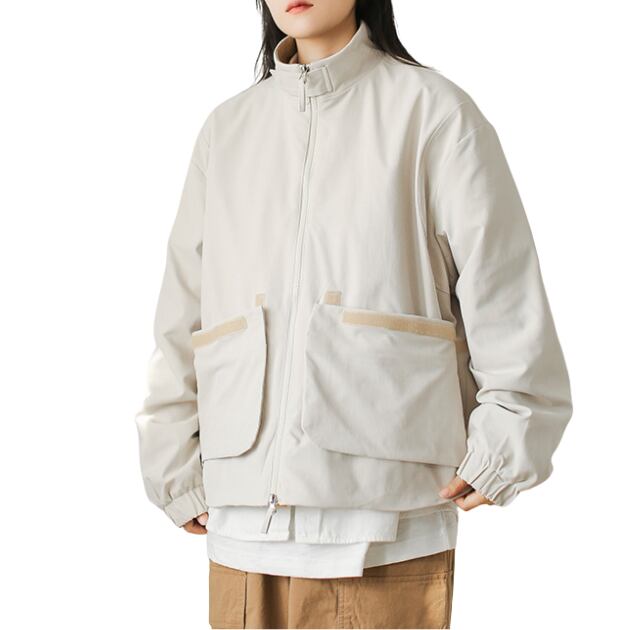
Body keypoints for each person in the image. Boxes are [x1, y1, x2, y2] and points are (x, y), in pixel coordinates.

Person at [135, 1, 573, 627]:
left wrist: (509, 439)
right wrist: (172, 463)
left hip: (384, 521)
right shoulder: (226, 130)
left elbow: (502, 282)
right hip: (242, 524)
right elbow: (184, 309)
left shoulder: (433, 112)